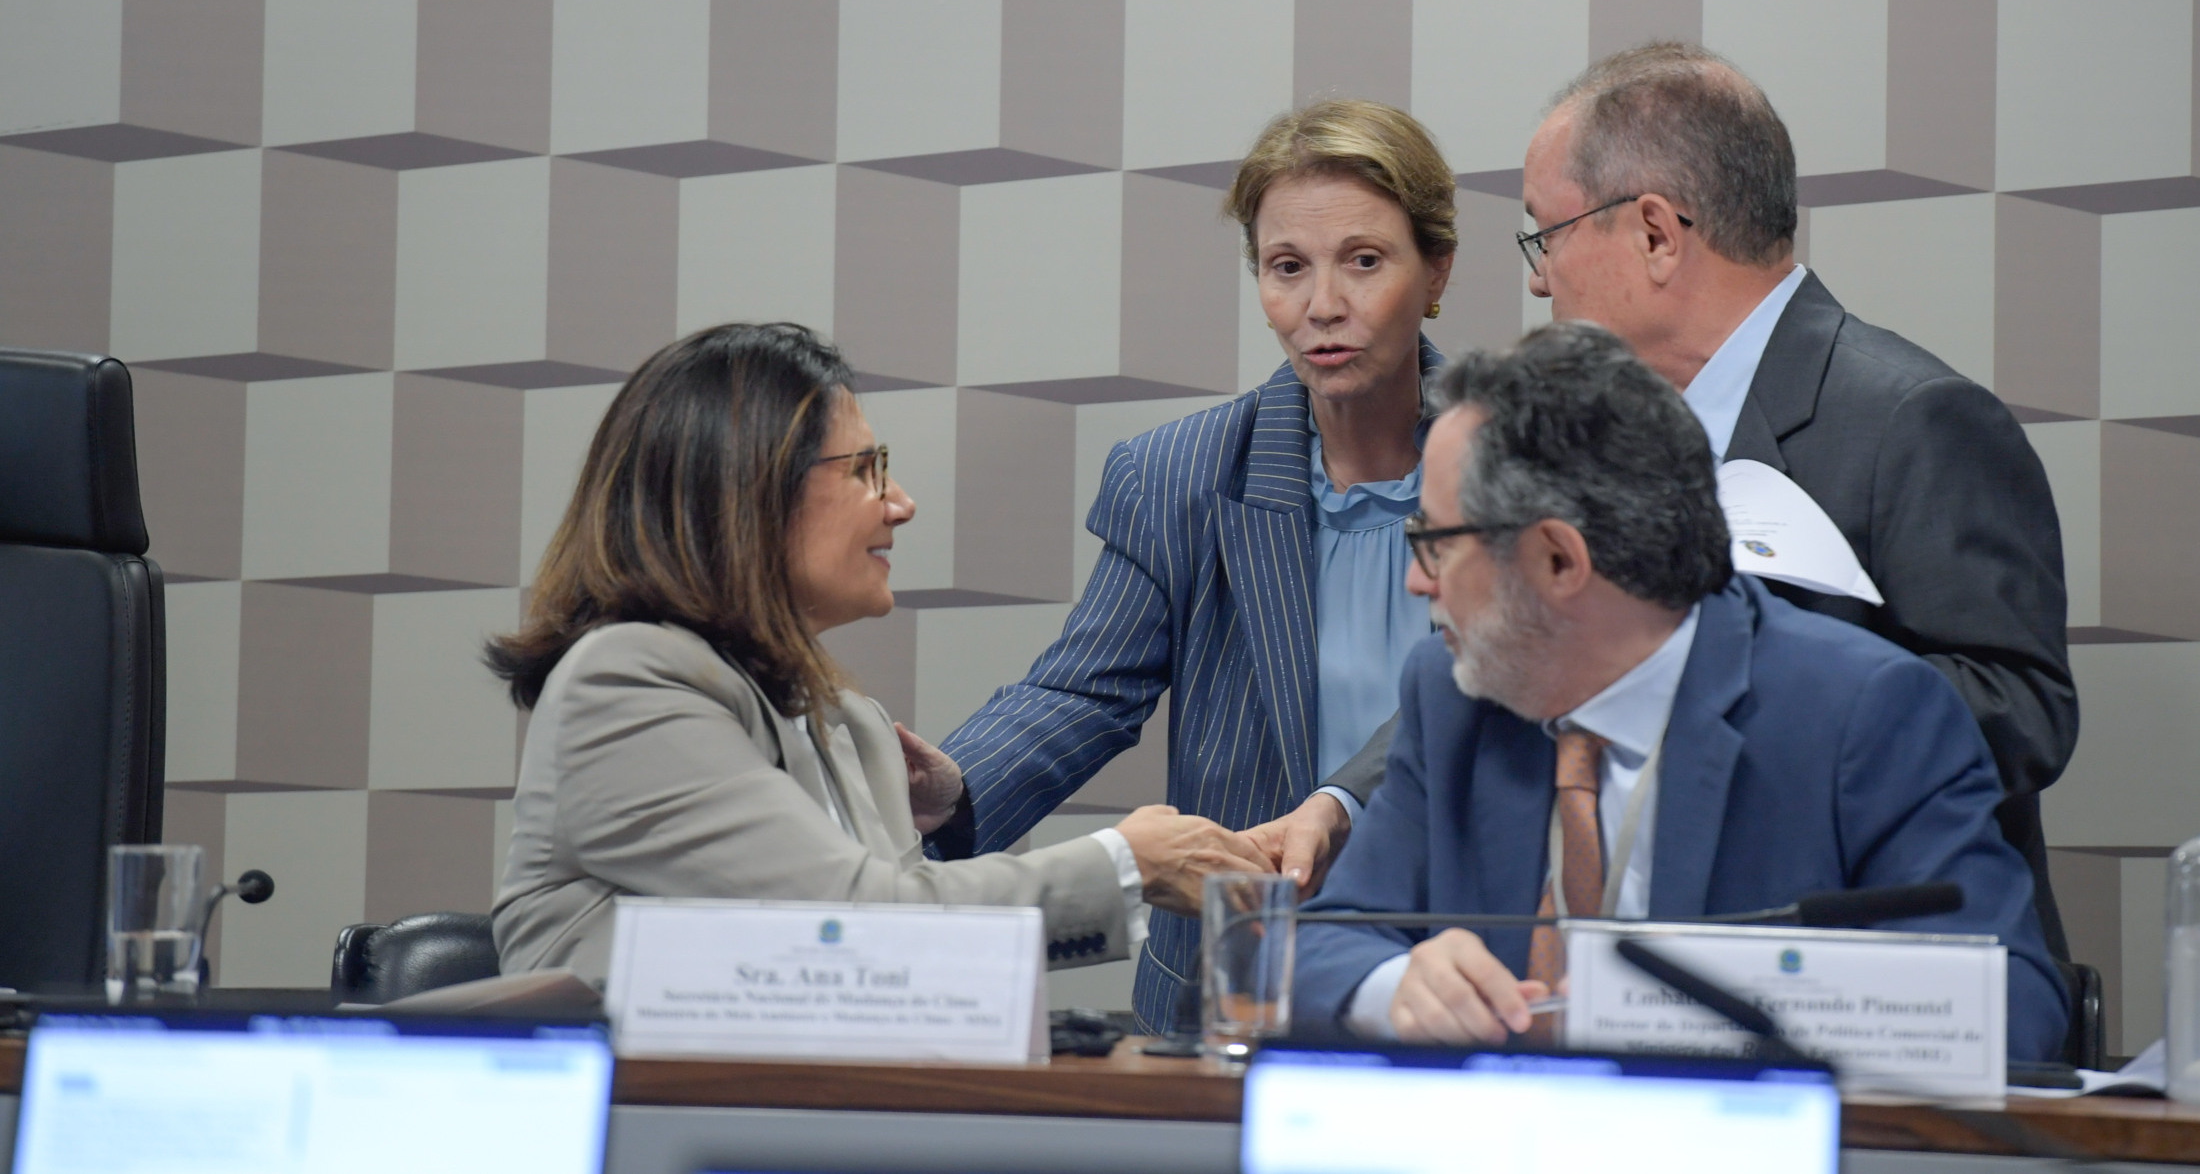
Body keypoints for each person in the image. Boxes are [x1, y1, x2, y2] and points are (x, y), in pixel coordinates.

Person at [1291, 322, 2068, 1062]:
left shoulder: (1861, 714)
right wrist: (1396, 987)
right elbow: (1324, 945)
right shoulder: (1456, 698)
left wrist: (1733, 1011)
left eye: (1433, 542)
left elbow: (2016, 1005)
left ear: (1558, 561)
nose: (1415, 579)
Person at [1513, 42, 2078, 957]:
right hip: (1627, 982)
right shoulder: (1594, 435)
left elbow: (2022, 713)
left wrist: (1731, 690)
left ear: (1655, 233)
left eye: (1549, 236)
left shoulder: (1914, 419)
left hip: (1868, 976)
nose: (1540, 279)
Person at [486, 323, 1264, 985]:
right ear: (748, 489)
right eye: (865, 470)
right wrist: (1129, 864)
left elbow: (904, 952)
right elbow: (857, 928)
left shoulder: (846, 719)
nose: (901, 503)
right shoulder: (624, 682)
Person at [925, 100, 1460, 1033]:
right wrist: (948, 796)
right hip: (1243, 982)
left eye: (1364, 261)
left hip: (1469, 962)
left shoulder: (1530, 454)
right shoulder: (1182, 474)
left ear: (1437, 270)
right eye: (1287, 268)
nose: (1322, 305)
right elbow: (1080, 695)